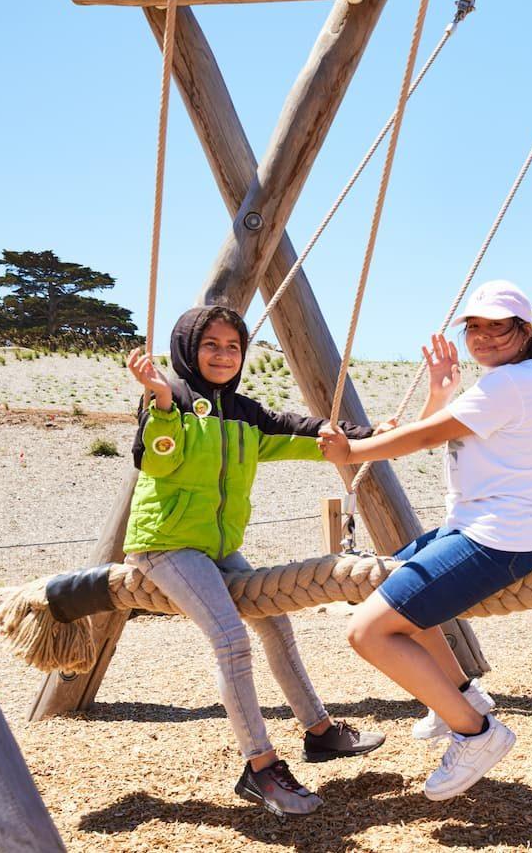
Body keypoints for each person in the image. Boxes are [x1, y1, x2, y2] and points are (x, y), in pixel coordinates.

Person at [123, 305, 385, 818]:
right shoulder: (169, 399)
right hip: (166, 544)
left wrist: (369, 434)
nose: (223, 355)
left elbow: (306, 432)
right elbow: (157, 459)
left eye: (233, 347)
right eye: (211, 345)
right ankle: (260, 767)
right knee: (231, 640)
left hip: (217, 548)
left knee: (276, 622)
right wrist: (157, 398)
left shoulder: (245, 414)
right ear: (187, 349)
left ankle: (320, 733)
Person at [318, 280, 532, 801]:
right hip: (478, 529)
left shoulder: (510, 384)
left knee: (368, 632)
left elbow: (426, 438)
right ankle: (459, 696)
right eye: (475, 326)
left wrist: (353, 453)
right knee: (389, 591)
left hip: (497, 539)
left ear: (525, 331)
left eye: (499, 326)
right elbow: (439, 428)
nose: (484, 336)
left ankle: (476, 732)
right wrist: (438, 394)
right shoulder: (517, 381)